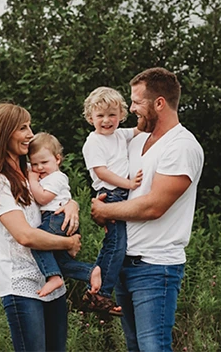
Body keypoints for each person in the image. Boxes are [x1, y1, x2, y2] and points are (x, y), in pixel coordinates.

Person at [91, 68, 204, 352]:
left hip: (156, 266)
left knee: (153, 347)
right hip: (124, 262)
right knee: (134, 347)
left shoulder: (182, 146)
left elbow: (154, 206)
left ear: (159, 103)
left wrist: (106, 212)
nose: (131, 109)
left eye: (137, 102)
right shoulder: (137, 140)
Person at [0, 103, 82, 352]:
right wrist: (68, 242)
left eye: (29, 127)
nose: (30, 134)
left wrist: (72, 204)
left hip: (51, 280)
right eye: (22, 128)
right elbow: (24, 235)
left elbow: (56, 197)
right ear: (3, 133)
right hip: (21, 285)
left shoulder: (32, 173)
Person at [80, 87, 143, 314]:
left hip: (121, 194)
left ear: (121, 115)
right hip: (111, 194)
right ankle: (101, 294)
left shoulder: (120, 134)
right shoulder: (93, 142)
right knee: (117, 246)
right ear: (90, 118)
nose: (106, 120)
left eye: (112, 115)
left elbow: (140, 129)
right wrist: (128, 184)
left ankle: (96, 290)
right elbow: (101, 172)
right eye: (100, 115)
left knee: (115, 244)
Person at [27, 132, 107, 305]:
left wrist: (32, 180)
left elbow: (43, 198)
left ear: (57, 159)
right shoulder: (47, 175)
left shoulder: (57, 177)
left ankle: (53, 278)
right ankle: (90, 272)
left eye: (44, 162)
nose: (39, 168)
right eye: (34, 164)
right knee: (61, 261)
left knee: (37, 242)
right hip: (58, 219)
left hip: (55, 218)